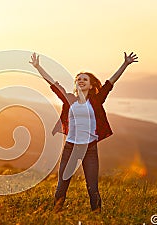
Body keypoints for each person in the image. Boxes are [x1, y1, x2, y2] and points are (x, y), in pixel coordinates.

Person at [29, 52, 138, 212]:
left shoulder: (96, 100)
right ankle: (55, 213)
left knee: (92, 186)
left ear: (91, 85)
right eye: (78, 79)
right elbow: (52, 84)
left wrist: (125, 64)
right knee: (62, 184)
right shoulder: (69, 99)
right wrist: (38, 67)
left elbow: (110, 82)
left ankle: (97, 215)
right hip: (70, 148)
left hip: (90, 149)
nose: (81, 81)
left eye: (84, 79)